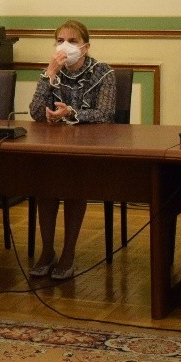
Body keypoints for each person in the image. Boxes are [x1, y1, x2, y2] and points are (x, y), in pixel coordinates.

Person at [26, 20, 116, 280]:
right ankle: (47, 251)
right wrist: (50, 73)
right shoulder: (53, 72)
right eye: (60, 40)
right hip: (54, 147)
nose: (65, 45)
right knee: (45, 183)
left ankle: (68, 253)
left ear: (85, 47)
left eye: (72, 41)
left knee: (74, 182)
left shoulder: (103, 73)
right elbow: (35, 112)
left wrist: (71, 113)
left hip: (89, 149)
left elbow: (105, 113)